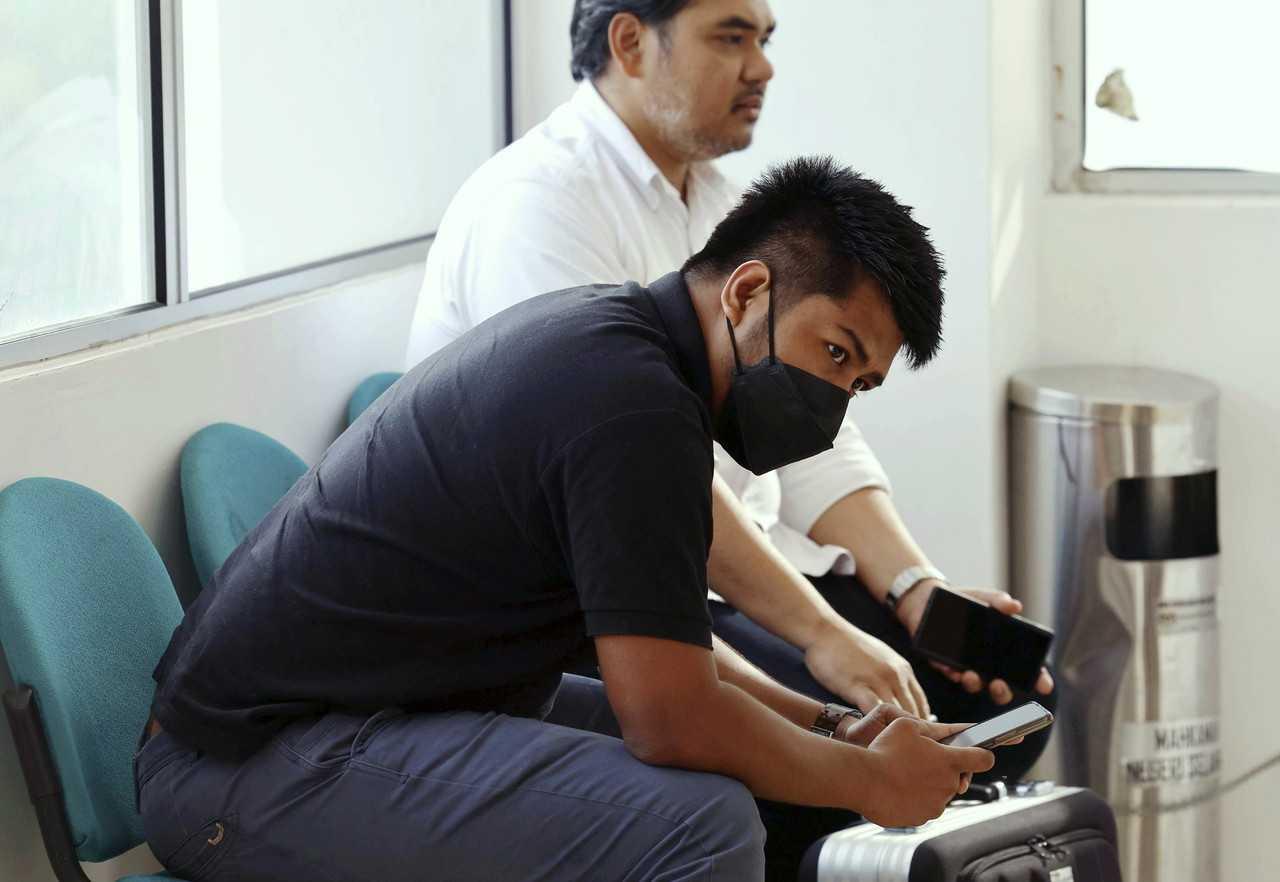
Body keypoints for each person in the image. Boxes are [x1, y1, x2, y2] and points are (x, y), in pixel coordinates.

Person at [139, 157, 1000, 882]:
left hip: (363, 722)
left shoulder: (621, 350)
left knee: (731, 764)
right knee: (703, 822)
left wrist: (827, 723)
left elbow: (653, 656)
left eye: (858, 384)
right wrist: (869, 780)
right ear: (747, 290)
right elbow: (671, 719)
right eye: (834, 351)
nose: (832, 401)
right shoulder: (632, 408)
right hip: (244, 772)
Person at [406, 0, 1055, 778]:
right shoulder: (540, 205)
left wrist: (918, 590)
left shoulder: (721, 204)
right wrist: (823, 635)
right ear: (630, 42)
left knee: (999, 707)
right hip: (630, 589)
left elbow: (820, 440)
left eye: (765, 39)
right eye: (732, 36)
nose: (762, 66)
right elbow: (638, 470)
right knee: (872, 746)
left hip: (748, 570)